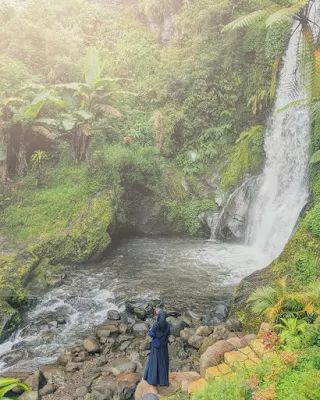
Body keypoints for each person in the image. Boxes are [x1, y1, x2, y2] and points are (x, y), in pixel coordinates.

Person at [143, 305, 170, 387]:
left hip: (156, 346)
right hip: (164, 346)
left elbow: (151, 334)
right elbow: (169, 333)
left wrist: (150, 331)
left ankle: (152, 380)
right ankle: (163, 381)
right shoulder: (168, 325)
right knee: (163, 363)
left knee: (154, 363)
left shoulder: (156, 325)